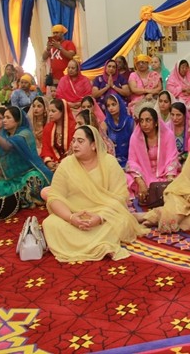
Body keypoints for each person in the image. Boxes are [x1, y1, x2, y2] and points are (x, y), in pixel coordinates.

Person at [43, 125, 149, 262]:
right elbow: (54, 197)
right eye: (73, 141)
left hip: (104, 216)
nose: (75, 145)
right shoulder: (66, 164)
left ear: (93, 145)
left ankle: (98, 244)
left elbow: (120, 197)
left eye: (80, 141)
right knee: (50, 223)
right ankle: (98, 243)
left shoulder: (109, 163)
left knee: (118, 223)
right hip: (75, 216)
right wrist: (71, 218)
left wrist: (100, 217)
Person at [0, 106, 53, 210]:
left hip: (29, 174)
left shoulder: (25, 133)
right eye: (4, 118)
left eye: (7, 117)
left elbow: (7, 146)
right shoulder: (1, 136)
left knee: (33, 181)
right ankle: (20, 199)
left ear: (17, 121)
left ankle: (20, 199)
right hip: (12, 181)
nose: (4, 120)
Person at [126, 107, 180, 203]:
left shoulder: (168, 135)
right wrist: (141, 182)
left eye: (148, 120)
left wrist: (169, 180)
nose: (144, 124)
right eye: (141, 121)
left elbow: (172, 159)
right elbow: (132, 162)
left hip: (165, 175)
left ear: (156, 123)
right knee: (125, 178)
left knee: (181, 179)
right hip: (143, 175)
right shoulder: (135, 137)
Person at [41, 98, 77, 171]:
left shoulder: (74, 127)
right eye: (49, 111)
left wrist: (62, 164)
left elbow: (75, 150)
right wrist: (48, 162)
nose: (50, 114)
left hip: (71, 163)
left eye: (53, 111)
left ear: (62, 112)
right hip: (53, 164)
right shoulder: (48, 128)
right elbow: (46, 148)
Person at [42, 24, 77, 90]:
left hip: (67, 78)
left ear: (62, 33)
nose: (55, 34)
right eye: (54, 33)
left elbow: (70, 56)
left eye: (57, 32)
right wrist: (48, 49)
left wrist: (59, 47)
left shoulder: (69, 43)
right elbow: (44, 57)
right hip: (54, 79)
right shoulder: (52, 45)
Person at [104, 95, 134, 168]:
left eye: (113, 104)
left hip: (130, 160)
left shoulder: (130, 122)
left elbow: (135, 144)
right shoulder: (105, 124)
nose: (111, 108)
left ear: (120, 104)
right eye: (108, 106)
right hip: (112, 161)